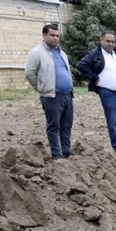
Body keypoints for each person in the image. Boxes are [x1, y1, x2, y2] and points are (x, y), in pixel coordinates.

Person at [25, 24, 73, 160]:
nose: (55, 38)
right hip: (52, 96)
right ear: (44, 35)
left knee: (66, 125)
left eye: (57, 36)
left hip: (67, 95)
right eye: (52, 35)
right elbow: (29, 73)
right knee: (53, 126)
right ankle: (56, 153)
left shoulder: (61, 53)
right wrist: (42, 88)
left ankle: (66, 150)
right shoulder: (37, 52)